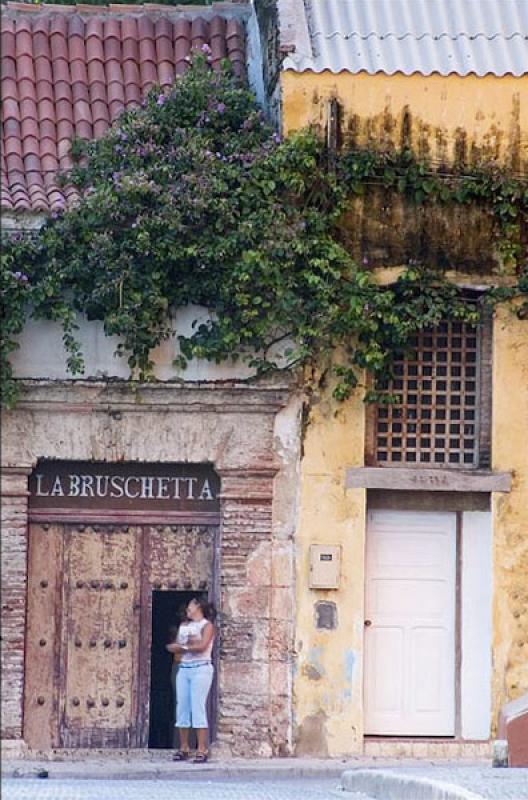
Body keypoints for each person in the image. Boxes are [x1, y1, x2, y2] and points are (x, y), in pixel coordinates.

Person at [166, 597, 216, 763]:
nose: (188, 607)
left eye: (191, 605)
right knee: (182, 708)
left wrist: (185, 647)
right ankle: (184, 747)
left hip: (201, 668)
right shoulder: (184, 626)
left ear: (198, 606)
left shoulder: (207, 626)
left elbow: (202, 646)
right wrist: (187, 646)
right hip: (184, 669)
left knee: (198, 706)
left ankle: (202, 748)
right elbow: (176, 649)